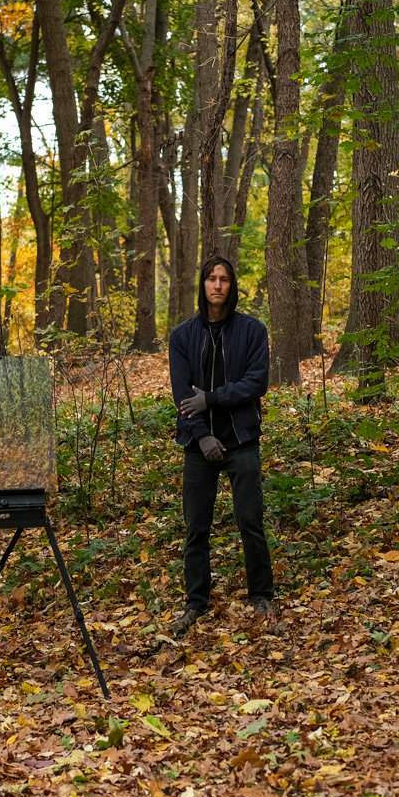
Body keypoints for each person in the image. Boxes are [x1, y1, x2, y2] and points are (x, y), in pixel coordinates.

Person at [166, 255, 278, 637]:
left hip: (242, 439)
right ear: (202, 285)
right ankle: (196, 601)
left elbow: (256, 382)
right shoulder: (182, 336)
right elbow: (182, 394)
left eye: (224, 279)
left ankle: (262, 594)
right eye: (211, 279)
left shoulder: (251, 330)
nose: (217, 285)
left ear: (232, 286)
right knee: (196, 528)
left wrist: (210, 399)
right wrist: (201, 434)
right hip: (200, 446)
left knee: (250, 520)